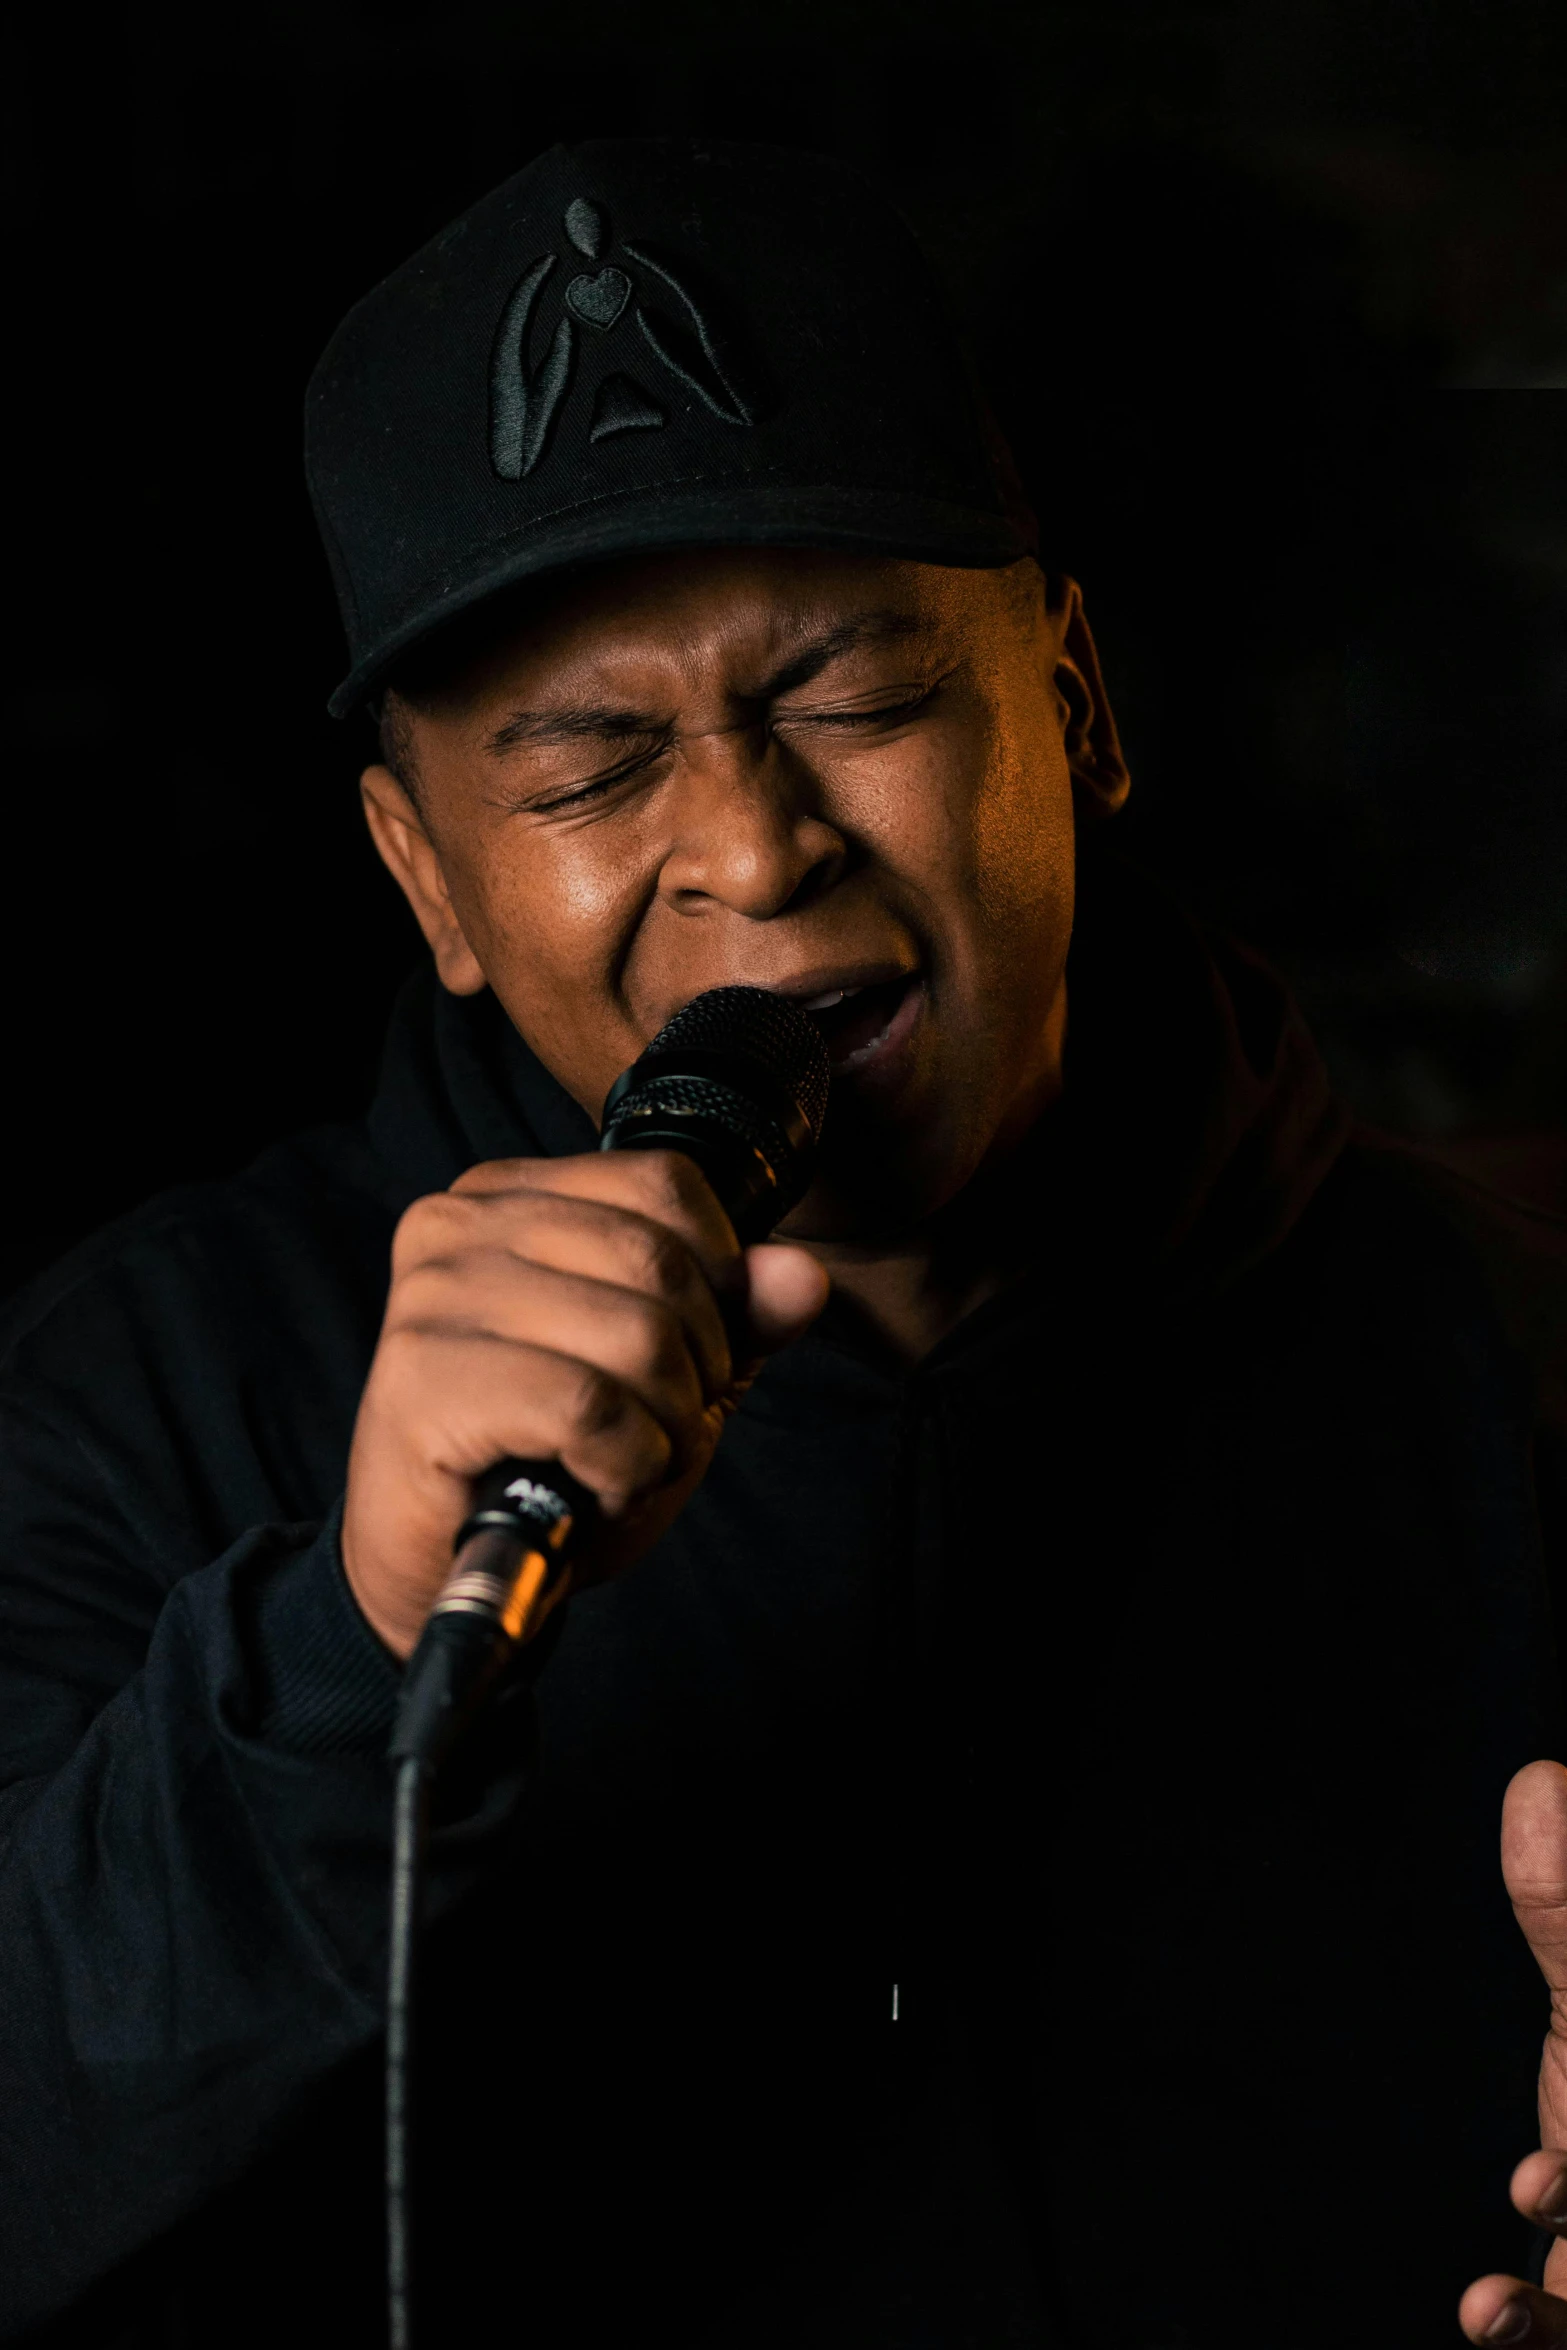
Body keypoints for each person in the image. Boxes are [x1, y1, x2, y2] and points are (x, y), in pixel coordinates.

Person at [1, 135, 1564, 2350]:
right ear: (425, 875)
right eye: (589, 764)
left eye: (851, 689)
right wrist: (349, 1655)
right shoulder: (130, 1402)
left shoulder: (1505, 1355)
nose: (751, 837)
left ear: (1080, 707)